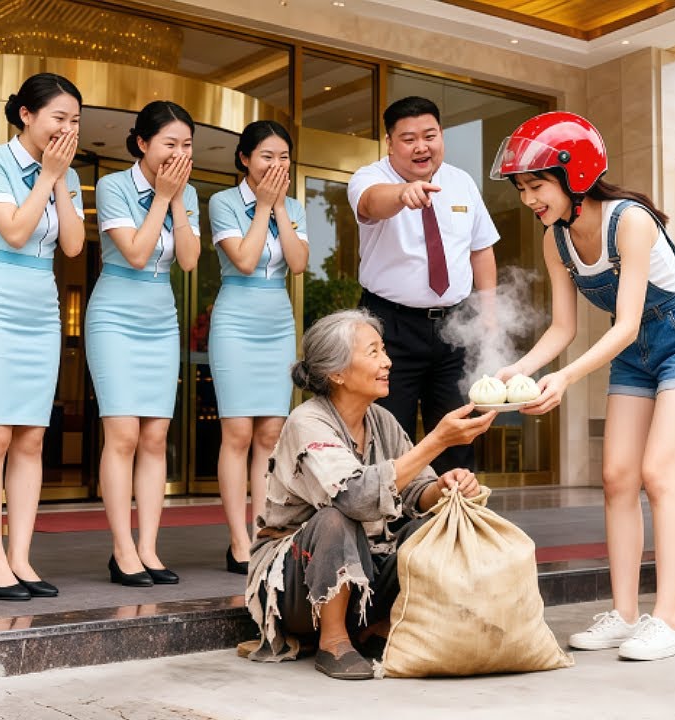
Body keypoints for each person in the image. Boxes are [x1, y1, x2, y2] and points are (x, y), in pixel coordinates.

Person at [490, 112, 675, 661]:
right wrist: (520, 369)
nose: (529, 200)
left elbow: (623, 323)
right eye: (523, 189)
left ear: (576, 175)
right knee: (617, 476)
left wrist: (566, 378)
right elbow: (564, 328)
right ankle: (623, 615)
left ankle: (666, 622)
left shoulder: (630, 222)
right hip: (635, 351)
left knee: (657, 473)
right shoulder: (557, 240)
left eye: (537, 186)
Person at [243, 309, 495, 680]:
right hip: (297, 583)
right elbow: (354, 498)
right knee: (334, 518)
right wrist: (437, 440)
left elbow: (416, 492)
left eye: (384, 351)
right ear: (337, 373)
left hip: (368, 563)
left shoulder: (382, 420)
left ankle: (374, 628)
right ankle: (333, 642)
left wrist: (443, 488)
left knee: (435, 524)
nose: (387, 362)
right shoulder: (307, 421)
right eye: (373, 352)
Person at [0, 72, 85, 601]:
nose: (68, 128)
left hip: (40, 307)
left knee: (31, 437)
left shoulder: (67, 174)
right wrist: (47, 175)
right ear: (27, 115)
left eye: (75, 120)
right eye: (59, 117)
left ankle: (21, 559)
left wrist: (59, 178)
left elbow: (74, 246)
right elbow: (13, 230)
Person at [347, 96, 499, 475]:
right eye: (408, 138)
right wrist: (402, 194)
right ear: (389, 142)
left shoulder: (461, 182)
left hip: (454, 327)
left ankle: (453, 526)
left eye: (429, 135)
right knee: (385, 434)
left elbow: (481, 251)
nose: (421, 147)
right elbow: (370, 203)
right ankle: (386, 531)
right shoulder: (370, 177)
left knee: (457, 432)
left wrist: (489, 314)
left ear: (441, 135)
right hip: (389, 327)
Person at [87, 101, 201, 587]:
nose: (178, 153)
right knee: (125, 436)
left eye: (186, 145)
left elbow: (191, 260)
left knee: (155, 438)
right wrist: (161, 197)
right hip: (114, 314)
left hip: (161, 318)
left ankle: (150, 548)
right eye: (169, 144)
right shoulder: (113, 186)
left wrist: (176, 198)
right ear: (142, 144)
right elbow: (134, 253)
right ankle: (122, 550)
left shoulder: (188, 193)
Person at [208, 120, 309, 575]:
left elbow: (299, 262)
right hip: (235, 321)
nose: (276, 164)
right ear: (245, 158)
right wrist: (264, 206)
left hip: (277, 323)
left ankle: (263, 530)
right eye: (267, 156)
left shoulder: (295, 206)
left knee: (271, 435)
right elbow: (246, 260)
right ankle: (237, 541)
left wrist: (280, 209)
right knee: (238, 434)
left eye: (284, 157)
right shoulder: (223, 202)